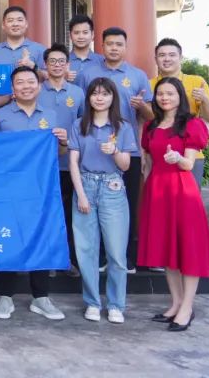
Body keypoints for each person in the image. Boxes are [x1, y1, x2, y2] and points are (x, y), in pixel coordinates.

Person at [0, 65, 68, 321]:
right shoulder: (0, 116)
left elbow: (59, 153)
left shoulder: (51, 115)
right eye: (20, 82)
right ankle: (5, 296)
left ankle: (41, 297)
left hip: (41, 188)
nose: (26, 86)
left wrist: (63, 142)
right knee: (9, 236)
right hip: (9, 188)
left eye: (30, 81)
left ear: (39, 86)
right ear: (12, 89)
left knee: (41, 236)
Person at [140, 77, 209, 332]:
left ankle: (187, 307)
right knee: (167, 249)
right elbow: (148, 163)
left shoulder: (191, 124)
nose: (165, 98)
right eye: (160, 93)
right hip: (157, 191)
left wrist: (177, 158)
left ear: (179, 96)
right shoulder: (151, 126)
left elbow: (188, 164)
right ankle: (175, 303)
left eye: (170, 93)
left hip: (182, 191)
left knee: (187, 249)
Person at [76, 27, 153, 271]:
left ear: (125, 47)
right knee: (94, 206)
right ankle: (99, 257)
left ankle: (125, 257)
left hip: (126, 151)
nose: (114, 48)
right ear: (102, 46)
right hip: (92, 150)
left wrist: (141, 106)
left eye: (119, 44)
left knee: (125, 206)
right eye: (109, 44)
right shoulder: (88, 73)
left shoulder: (137, 76)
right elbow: (80, 110)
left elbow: (151, 116)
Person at [68, 77, 136, 324]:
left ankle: (116, 304)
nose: (99, 98)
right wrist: (81, 194)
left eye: (105, 94)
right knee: (86, 250)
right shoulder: (79, 124)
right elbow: (73, 162)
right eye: (95, 93)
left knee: (116, 252)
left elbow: (126, 165)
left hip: (112, 187)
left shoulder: (122, 127)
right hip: (85, 185)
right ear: (88, 98)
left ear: (112, 98)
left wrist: (115, 151)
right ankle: (92, 302)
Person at [39, 45, 85, 276]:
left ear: (68, 65)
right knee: (46, 212)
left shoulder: (78, 93)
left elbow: (84, 125)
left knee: (68, 214)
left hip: (70, 165)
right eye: (52, 61)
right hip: (42, 166)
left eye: (61, 61)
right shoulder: (36, 90)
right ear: (45, 65)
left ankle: (67, 259)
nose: (57, 65)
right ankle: (46, 260)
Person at [151, 38, 209, 183]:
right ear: (155, 59)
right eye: (162, 55)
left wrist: (204, 99)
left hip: (191, 155)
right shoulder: (150, 84)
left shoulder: (196, 82)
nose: (167, 59)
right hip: (159, 154)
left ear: (181, 57)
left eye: (172, 55)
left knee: (189, 196)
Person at [0, 6, 48, 108]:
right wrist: (10, 95)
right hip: (1, 111)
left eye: (19, 20)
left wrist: (33, 67)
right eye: (10, 20)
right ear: (3, 25)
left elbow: (48, 79)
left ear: (26, 24)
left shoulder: (40, 50)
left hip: (33, 110)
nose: (15, 24)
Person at [66, 14, 105, 82]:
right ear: (70, 35)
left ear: (92, 35)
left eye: (85, 32)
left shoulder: (102, 61)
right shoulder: (62, 62)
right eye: (76, 33)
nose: (81, 37)